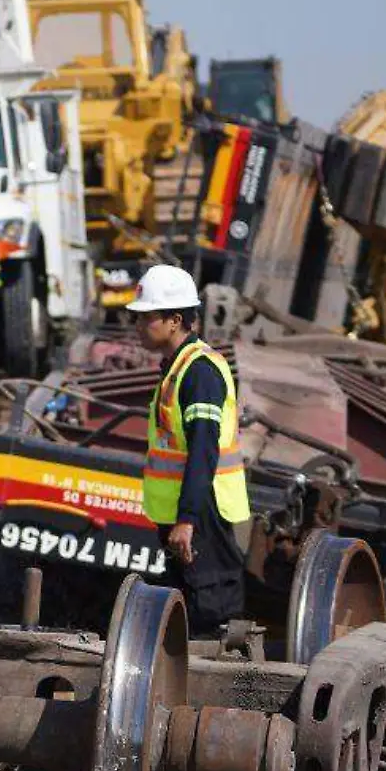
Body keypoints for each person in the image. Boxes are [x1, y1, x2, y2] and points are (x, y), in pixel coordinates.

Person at [127, 263, 251, 634]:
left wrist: (187, 519)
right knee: (186, 603)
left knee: (210, 606)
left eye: (145, 318)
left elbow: (203, 451)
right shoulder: (177, 368)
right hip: (184, 511)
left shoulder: (199, 373)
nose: (137, 327)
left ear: (174, 320)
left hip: (203, 511)